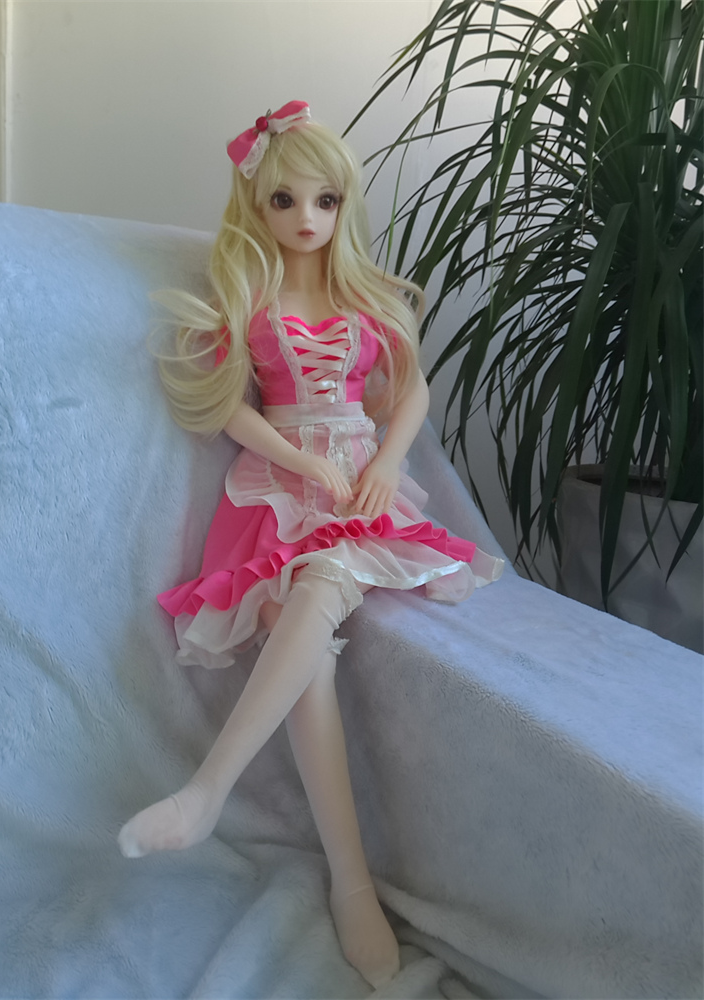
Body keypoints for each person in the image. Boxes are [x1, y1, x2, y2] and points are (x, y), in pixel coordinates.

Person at [118, 100, 503, 988]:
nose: (305, 219)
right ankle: (349, 883)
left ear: (343, 205)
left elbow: (412, 390)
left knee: (325, 574)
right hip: (279, 489)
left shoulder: (367, 301)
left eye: (324, 201)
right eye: (284, 200)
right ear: (256, 205)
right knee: (302, 643)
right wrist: (298, 458)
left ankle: (207, 794)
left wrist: (386, 461)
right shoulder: (248, 301)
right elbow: (229, 406)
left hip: (361, 486)